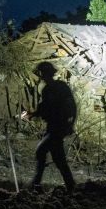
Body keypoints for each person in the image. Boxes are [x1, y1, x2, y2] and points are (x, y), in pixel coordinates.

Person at [23, 62, 77, 192]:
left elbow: (52, 108)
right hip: (57, 127)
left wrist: (32, 114)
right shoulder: (57, 87)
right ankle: (70, 186)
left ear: (43, 74)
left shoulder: (53, 89)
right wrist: (32, 114)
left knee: (43, 151)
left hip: (57, 127)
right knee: (58, 158)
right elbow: (70, 106)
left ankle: (36, 185)